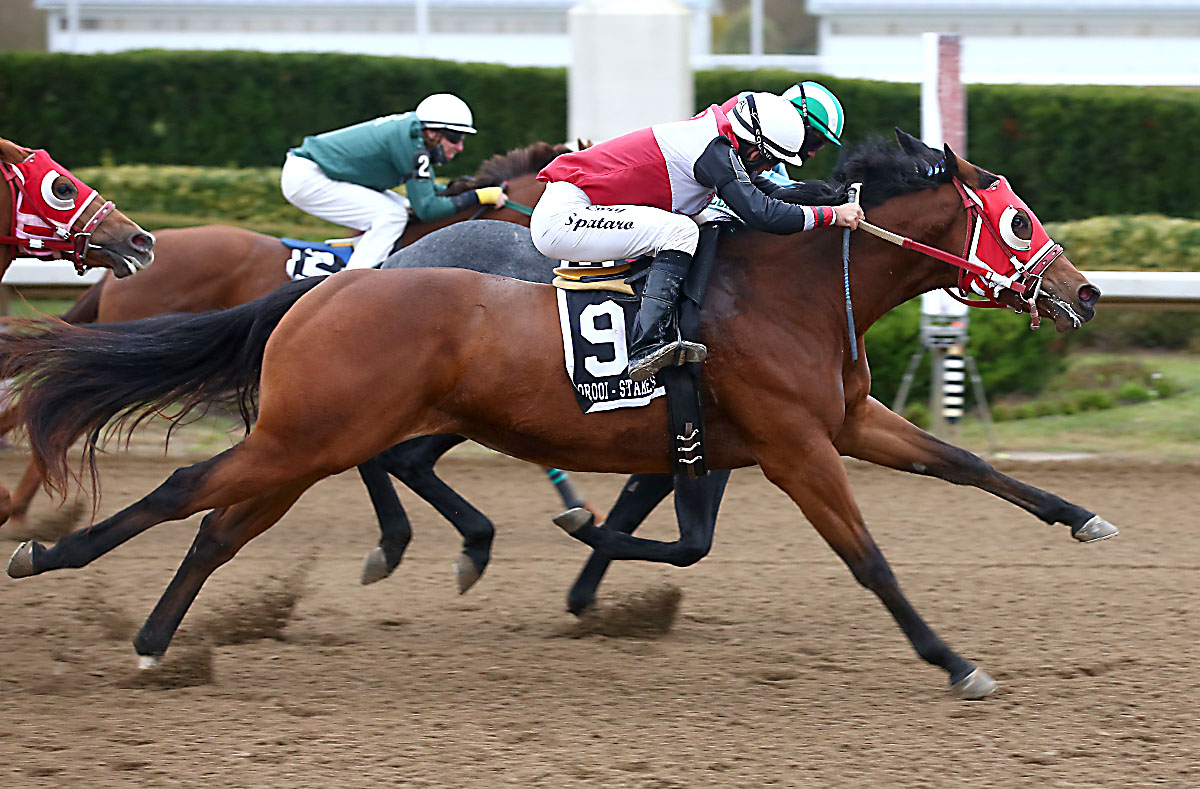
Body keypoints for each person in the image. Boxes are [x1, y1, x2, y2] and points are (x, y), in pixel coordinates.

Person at [533, 92, 864, 382]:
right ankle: (646, 345)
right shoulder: (714, 152)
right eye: (770, 162)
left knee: (693, 223)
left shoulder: (723, 136)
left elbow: (769, 192)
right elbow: (762, 213)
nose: (767, 169)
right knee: (681, 231)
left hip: (580, 207)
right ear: (753, 153)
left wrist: (831, 198)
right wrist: (833, 216)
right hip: (566, 217)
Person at [281, 93, 507, 270]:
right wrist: (479, 196)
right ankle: (350, 283)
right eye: (454, 138)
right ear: (432, 133)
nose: (459, 147)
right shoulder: (412, 146)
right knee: (391, 216)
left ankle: (359, 258)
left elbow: (424, 195)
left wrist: (460, 191)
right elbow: (427, 209)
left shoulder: (412, 134)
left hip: (318, 172)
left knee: (403, 208)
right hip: (308, 178)